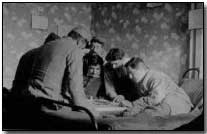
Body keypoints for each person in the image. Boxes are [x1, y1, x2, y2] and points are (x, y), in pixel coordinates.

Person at [123, 57, 193, 116]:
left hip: (178, 101)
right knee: (139, 111)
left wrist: (133, 104)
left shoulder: (155, 76)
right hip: (163, 101)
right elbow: (147, 100)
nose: (130, 77)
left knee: (149, 113)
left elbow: (156, 99)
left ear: (141, 69)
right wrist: (133, 106)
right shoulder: (142, 81)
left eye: (131, 73)